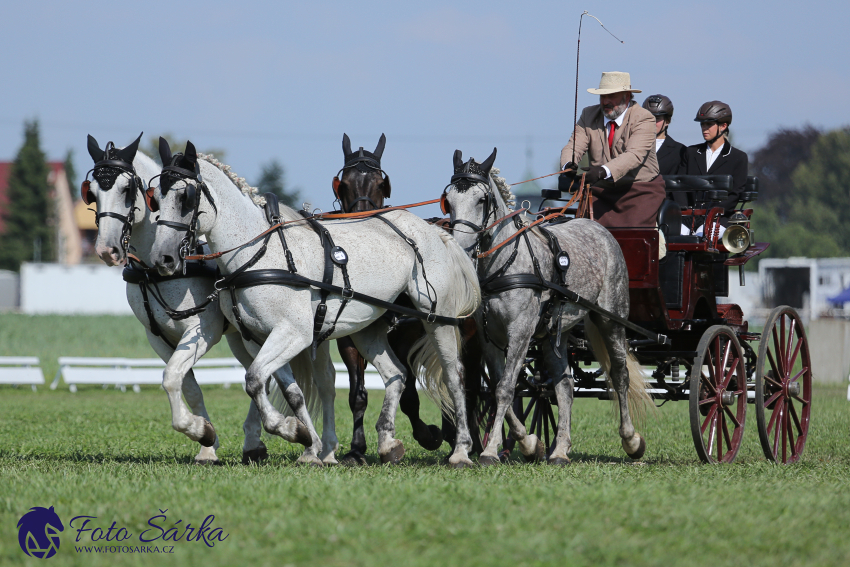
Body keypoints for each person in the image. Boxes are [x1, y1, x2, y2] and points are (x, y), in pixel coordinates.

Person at [559, 71, 665, 228]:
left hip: (640, 191)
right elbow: (574, 145)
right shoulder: (588, 115)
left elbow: (634, 155)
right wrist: (568, 165)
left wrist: (602, 171)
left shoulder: (644, 118)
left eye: (611, 96)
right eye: (602, 96)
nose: (605, 101)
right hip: (601, 192)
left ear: (627, 96)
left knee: (631, 240)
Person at [681, 100, 748, 218]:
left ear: (723, 126)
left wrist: (713, 213)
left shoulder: (738, 158)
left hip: (718, 219)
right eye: (702, 124)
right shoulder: (690, 153)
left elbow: (735, 194)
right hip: (689, 217)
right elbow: (680, 185)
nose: (704, 128)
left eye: (709, 124)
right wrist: (683, 210)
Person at [642, 94, 685, 176]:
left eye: (657, 118)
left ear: (667, 121)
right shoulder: (632, 145)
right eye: (648, 117)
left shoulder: (680, 151)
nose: (652, 122)